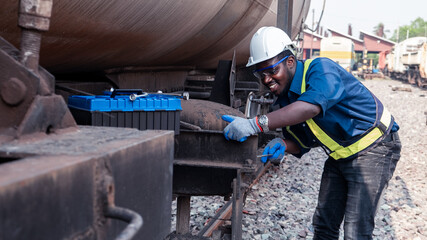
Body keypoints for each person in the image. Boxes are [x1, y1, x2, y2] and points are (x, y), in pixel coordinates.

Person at [222, 26, 401, 239]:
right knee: (324, 225)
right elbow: (304, 142)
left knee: (356, 231)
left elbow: (311, 107)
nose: (267, 79)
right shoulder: (286, 99)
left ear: (290, 62)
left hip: (375, 148)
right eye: (261, 74)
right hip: (341, 154)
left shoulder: (321, 69)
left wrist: (255, 124)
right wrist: (284, 145)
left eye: (271, 71)